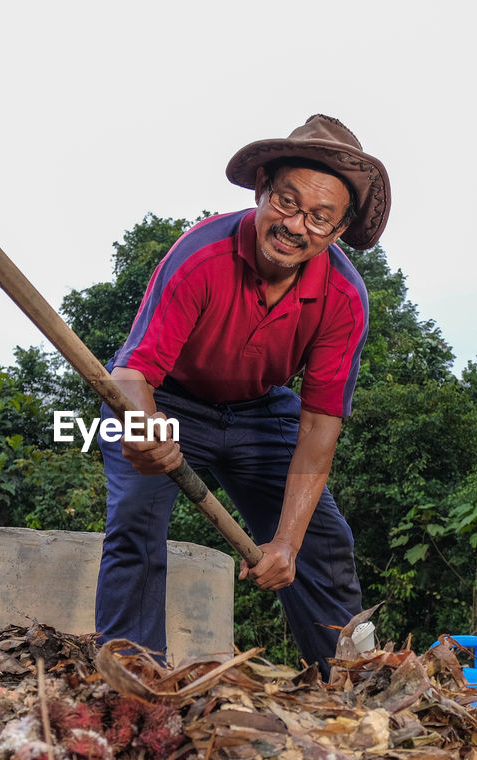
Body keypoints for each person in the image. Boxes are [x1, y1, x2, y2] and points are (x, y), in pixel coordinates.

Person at [94, 114, 391, 673]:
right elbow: (132, 372)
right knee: (135, 518)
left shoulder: (345, 297)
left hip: (262, 411)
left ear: (337, 231)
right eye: (286, 201)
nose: (295, 225)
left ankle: (352, 691)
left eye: (320, 218)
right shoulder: (201, 255)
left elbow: (319, 426)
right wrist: (140, 429)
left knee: (323, 544)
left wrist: (286, 542)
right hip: (169, 399)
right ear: (261, 191)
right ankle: (131, 686)